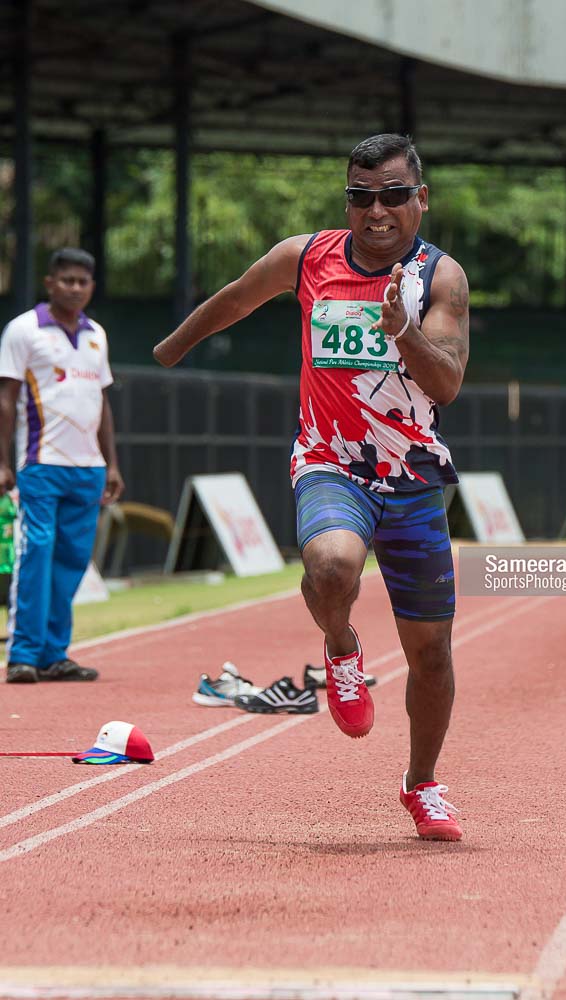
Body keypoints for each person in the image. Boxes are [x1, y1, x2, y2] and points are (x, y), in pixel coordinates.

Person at [153, 134, 469, 841]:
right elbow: (237, 300)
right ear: (347, 200)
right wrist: (173, 347)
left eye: (393, 196)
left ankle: (422, 784)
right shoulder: (306, 258)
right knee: (330, 568)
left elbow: (448, 381)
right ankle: (341, 644)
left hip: (412, 477)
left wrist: (404, 332)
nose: (377, 211)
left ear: (420, 199)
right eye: (362, 196)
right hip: (330, 461)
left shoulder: (441, 277)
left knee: (431, 654)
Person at [0, 248, 124, 683]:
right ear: (50, 283)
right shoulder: (24, 330)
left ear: (91, 287)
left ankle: (54, 654)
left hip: (88, 468)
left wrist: (111, 464)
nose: (75, 288)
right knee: (36, 553)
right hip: (40, 463)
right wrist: (2, 462)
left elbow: (101, 401)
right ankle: (23, 654)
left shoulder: (96, 335)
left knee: (72, 561)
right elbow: (5, 400)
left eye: (82, 282)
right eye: (67, 280)